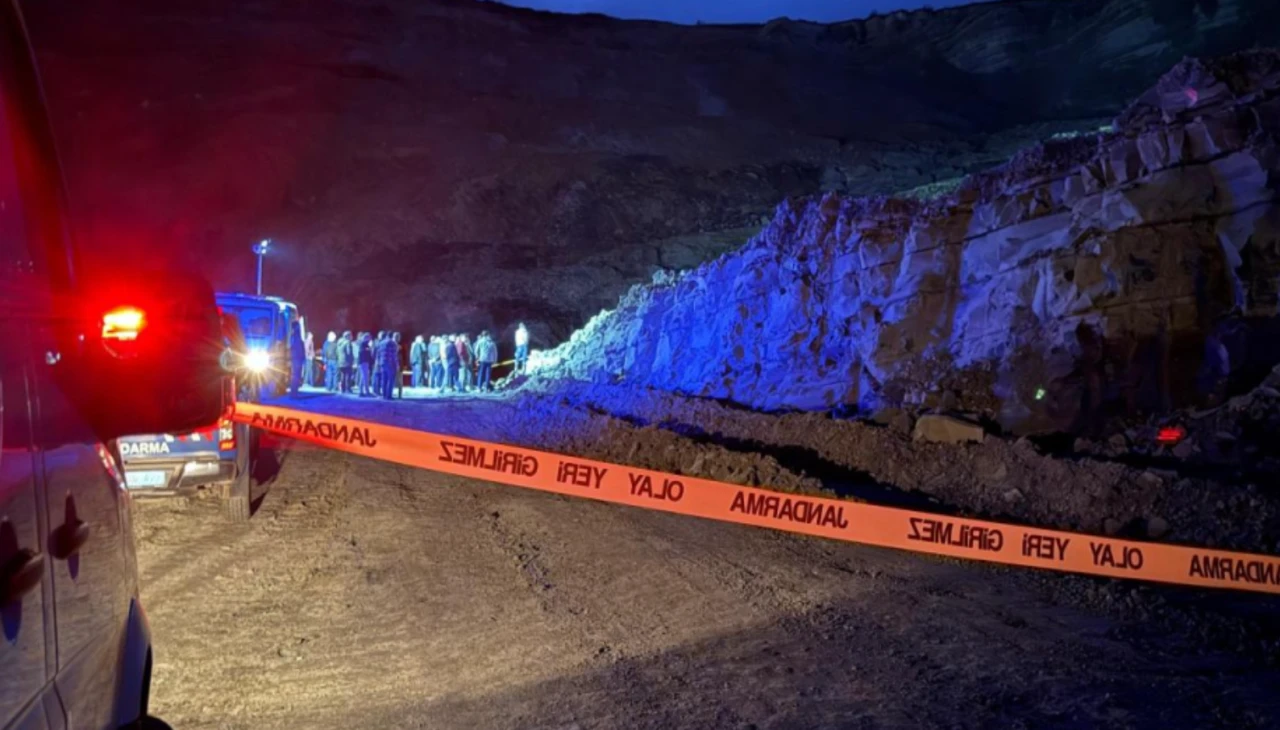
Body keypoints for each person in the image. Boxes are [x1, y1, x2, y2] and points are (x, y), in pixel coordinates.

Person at [379, 331, 400, 399]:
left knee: (384, 379)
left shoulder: (381, 343)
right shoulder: (392, 343)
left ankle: (384, 395)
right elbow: (393, 355)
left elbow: (378, 353)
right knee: (390, 379)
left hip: (382, 362)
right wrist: (397, 364)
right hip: (390, 363)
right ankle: (389, 395)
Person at [288, 321, 306, 395]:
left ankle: (294, 391)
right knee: (296, 375)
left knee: (296, 375)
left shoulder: (294, 336)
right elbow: (295, 348)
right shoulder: (295, 336)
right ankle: (294, 392)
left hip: (296, 358)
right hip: (296, 359)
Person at [357, 332, 375, 396]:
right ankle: (367, 392)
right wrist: (370, 348)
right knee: (365, 377)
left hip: (363, 362)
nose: (370, 339)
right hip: (363, 362)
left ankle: (361, 391)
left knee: (363, 377)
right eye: (369, 337)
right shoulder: (363, 344)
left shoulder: (363, 344)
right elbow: (364, 353)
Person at [372, 330, 387, 396]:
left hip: (378, 361)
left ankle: (377, 390)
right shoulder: (379, 343)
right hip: (378, 361)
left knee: (378, 376)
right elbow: (374, 353)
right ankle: (376, 390)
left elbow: (373, 353)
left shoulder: (376, 342)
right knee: (377, 376)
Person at [393, 332, 405, 398]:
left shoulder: (400, 345)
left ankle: (399, 395)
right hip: (394, 364)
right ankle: (396, 394)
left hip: (399, 364)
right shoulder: (393, 345)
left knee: (400, 380)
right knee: (395, 379)